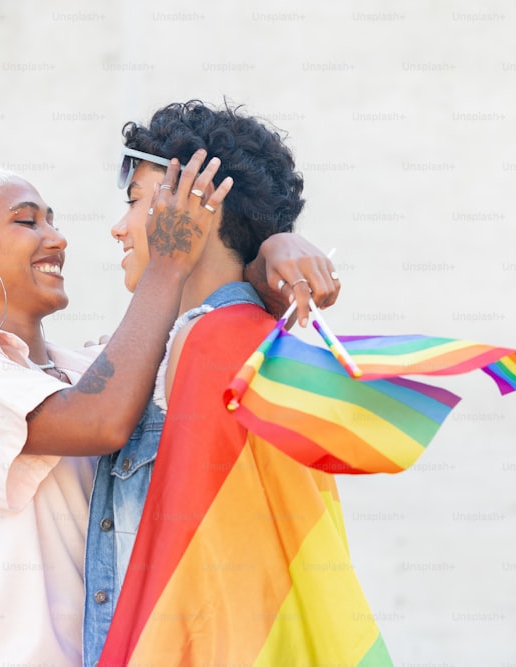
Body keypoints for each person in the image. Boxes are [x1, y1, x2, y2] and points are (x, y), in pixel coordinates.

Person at [0, 155, 336, 665]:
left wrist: (273, 249)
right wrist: (168, 261)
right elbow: (99, 421)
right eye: (26, 220)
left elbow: (208, 325)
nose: (57, 238)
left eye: (53, 220)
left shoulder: (93, 368)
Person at [83, 100, 344, 665]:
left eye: (134, 202)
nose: (118, 227)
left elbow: (209, 570)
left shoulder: (213, 342)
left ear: (198, 204)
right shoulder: (205, 339)